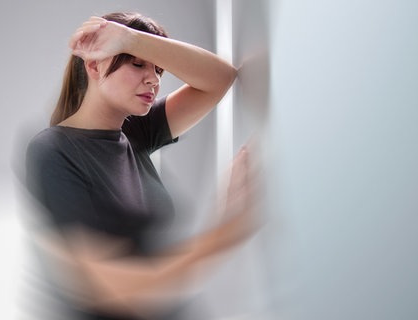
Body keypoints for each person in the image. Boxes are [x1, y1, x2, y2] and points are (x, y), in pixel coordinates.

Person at [25, 12, 258, 320]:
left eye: (158, 69)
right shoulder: (52, 150)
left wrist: (135, 41)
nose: (154, 79)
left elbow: (221, 78)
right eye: (137, 64)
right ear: (94, 65)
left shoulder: (136, 133)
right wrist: (228, 230)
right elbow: (116, 287)